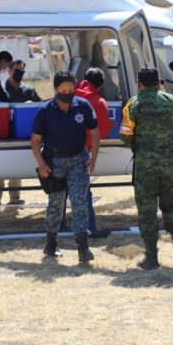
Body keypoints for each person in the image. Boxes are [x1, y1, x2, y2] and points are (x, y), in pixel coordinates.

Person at [119, 67, 173, 270]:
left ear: (138, 83)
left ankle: (151, 257)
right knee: (171, 206)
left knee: (147, 210)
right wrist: (169, 147)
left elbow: (125, 135)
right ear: (159, 82)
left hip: (145, 166)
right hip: (170, 165)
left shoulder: (134, 104)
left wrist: (140, 145)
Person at [32, 71, 99, 263]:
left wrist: (93, 159)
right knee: (56, 203)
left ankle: (83, 246)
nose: (67, 93)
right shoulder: (45, 110)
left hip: (78, 160)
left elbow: (94, 133)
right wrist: (41, 164)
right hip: (55, 163)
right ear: (56, 89)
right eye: (63, 90)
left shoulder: (83, 106)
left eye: (71, 90)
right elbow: (35, 140)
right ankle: (51, 242)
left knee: (80, 201)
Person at [59, 67, 112, 238]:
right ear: (101, 85)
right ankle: (91, 227)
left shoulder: (69, 95)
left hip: (59, 152)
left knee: (60, 191)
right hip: (81, 152)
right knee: (83, 192)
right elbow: (101, 132)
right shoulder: (99, 102)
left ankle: (58, 225)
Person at [0, 59, 42, 205]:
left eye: (21, 71)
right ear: (9, 71)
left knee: (15, 168)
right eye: (16, 70)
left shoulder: (28, 90)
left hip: (20, 135)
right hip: (1, 135)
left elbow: (41, 106)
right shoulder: (0, 89)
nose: (19, 73)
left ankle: (15, 198)